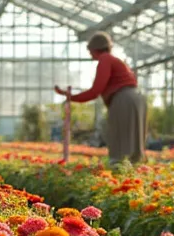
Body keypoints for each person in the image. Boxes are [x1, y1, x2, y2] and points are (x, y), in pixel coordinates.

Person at [55, 33, 146, 164]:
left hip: (124, 99)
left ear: (95, 48)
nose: (89, 53)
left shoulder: (105, 59)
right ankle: (133, 169)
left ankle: (121, 170)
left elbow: (95, 91)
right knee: (133, 140)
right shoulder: (114, 60)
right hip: (135, 98)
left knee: (120, 139)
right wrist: (70, 97)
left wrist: (70, 97)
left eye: (89, 50)